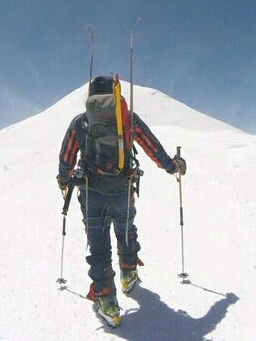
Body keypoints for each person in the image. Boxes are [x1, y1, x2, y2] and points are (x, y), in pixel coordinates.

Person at [57, 75, 187, 327]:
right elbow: (152, 147)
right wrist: (172, 166)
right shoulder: (127, 119)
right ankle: (128, 275)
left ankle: (107, 301)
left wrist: (64, 180)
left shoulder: (80, 123)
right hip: (122, 190)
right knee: (126, 230)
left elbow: (66, 157)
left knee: (99, 246)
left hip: (91, 193)